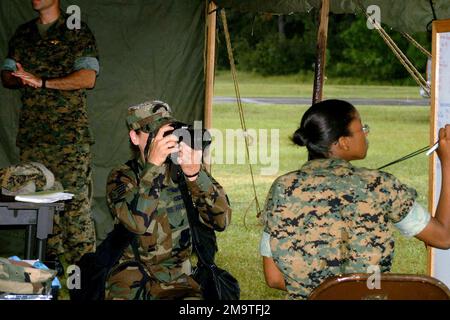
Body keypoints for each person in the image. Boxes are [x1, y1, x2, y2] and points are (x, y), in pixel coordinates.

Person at [260, 99, 450, 299]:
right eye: (362, 128)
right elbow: (443, 237)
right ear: (344, 142)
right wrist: (448, 163)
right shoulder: (380, 186)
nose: (366, 133)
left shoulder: (282, 188)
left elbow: (274, 278)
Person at [1, 0, 99, 265]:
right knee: (40, 206)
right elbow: (7, 75)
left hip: (70, 138)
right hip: (33, 138)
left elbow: (88, 78)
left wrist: (42, 82)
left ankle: (85, 274)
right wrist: (18, 77)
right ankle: (48, 269)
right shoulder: (23, 33)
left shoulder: (76, 29)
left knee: (75, 206)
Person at [105, 101, 232, 300]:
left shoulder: (184, 170)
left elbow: (221, 220)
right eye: (154, 132)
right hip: (132, 279)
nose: (163, 139)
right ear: (134, 136)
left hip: (178, 279)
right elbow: (136, 223)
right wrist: (153, 166)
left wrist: (194, 175)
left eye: (168, 132)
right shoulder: (122, 176)